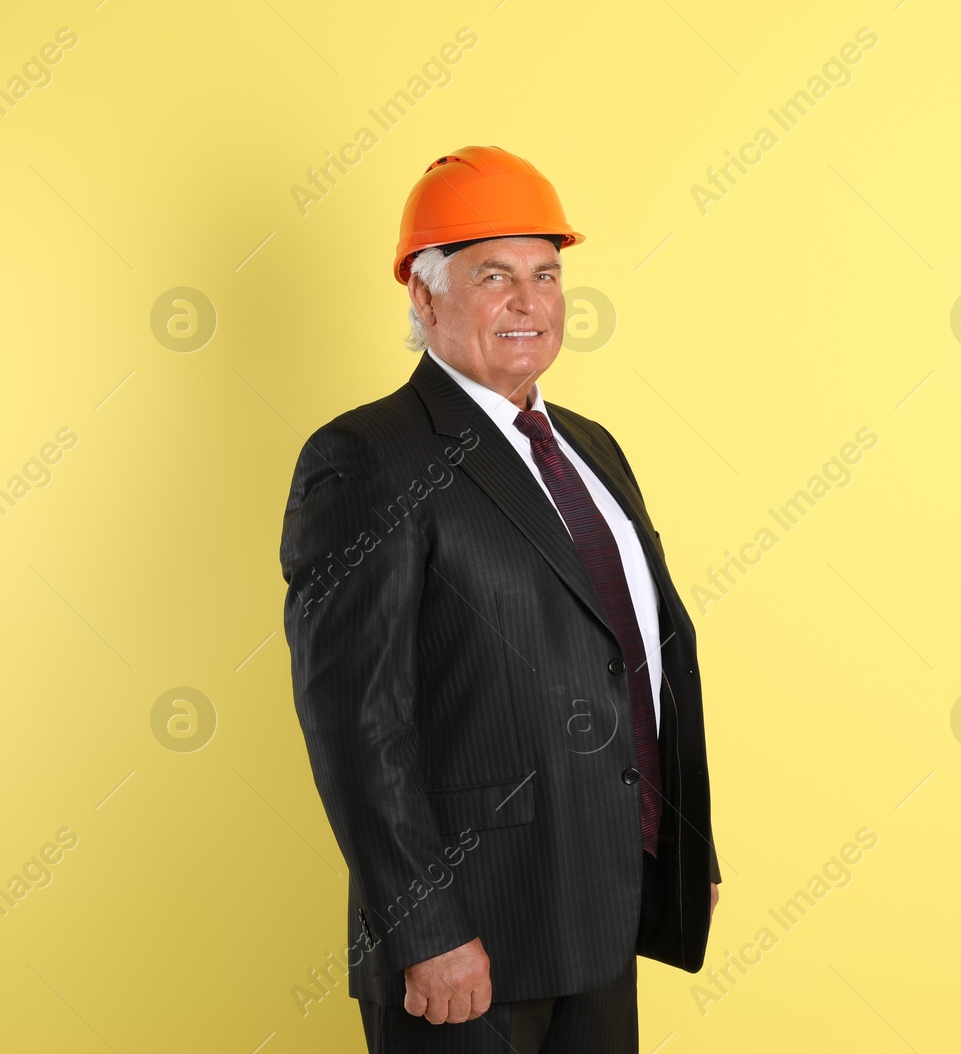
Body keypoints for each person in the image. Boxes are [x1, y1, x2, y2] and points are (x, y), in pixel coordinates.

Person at [279, 145, 721, 1053]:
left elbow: (633, 653)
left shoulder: (592, 448)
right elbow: (356, 723)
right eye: (494, 276)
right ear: (424, 295)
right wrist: (426, 925)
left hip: (604, 912)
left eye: (546, 275)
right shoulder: (369, 457)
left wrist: (682, 845)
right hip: (469, 938)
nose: (530, 303)